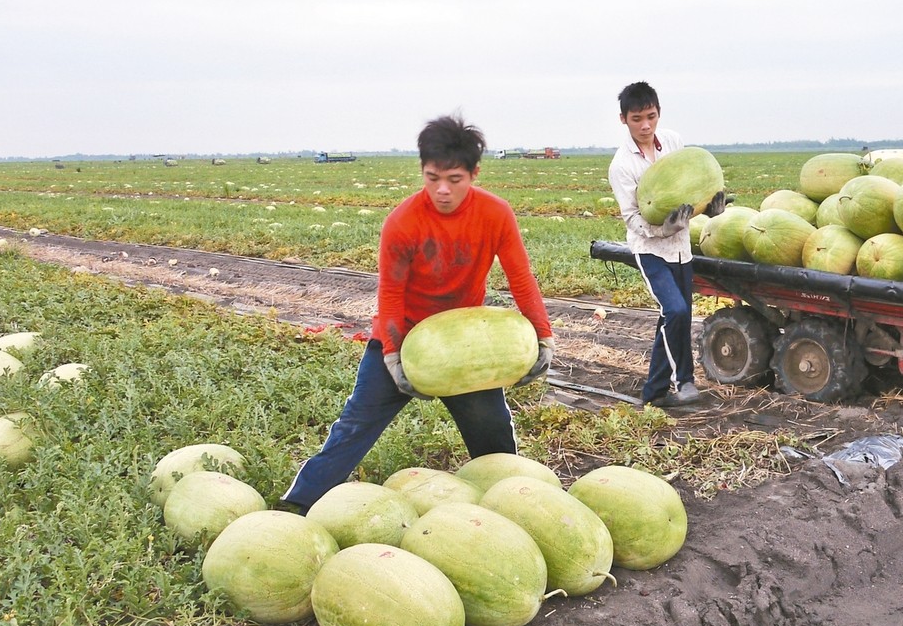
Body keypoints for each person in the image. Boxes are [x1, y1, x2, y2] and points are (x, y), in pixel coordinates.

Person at [280, 114, 554, 513]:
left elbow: (521, 279)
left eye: (454, 179)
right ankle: (297, 505)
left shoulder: (496, 214)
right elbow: (390, 293)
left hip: (465, 345)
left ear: (474, 173)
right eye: (432, 178)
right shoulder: (403, 222)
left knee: (492, 430)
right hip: (403, 335)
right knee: (355, 426)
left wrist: (543, 335)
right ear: (422, 171)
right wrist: (391, 355)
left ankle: (511, 504)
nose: (442, 190)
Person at [608, 81, 726, 408]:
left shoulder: (673, 142)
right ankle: (683, 382)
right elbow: (633, 218)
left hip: (681, 249)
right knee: (675, 310)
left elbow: (692, 188)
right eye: (636, 119)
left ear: (659, 113)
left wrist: (712, 209)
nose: (645, 125)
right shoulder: (622, 165)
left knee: (675, 317)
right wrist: (664, 229)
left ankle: (653, 393)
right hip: (651, 250)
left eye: (651, 116)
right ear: (623, 120)